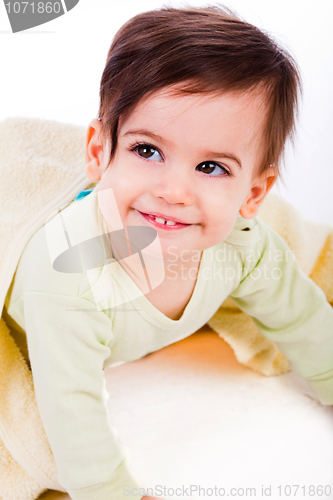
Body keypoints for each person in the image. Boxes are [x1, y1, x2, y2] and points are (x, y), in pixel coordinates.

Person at [3, 4, 333, 500]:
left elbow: (302, 318)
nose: (173, 190)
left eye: (212, 167)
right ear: (98, 153)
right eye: (147, 150)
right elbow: (70, 411)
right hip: (35, 245)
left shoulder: (245, 242)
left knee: (300, 245)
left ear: (253, 195)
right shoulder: (69, 281)